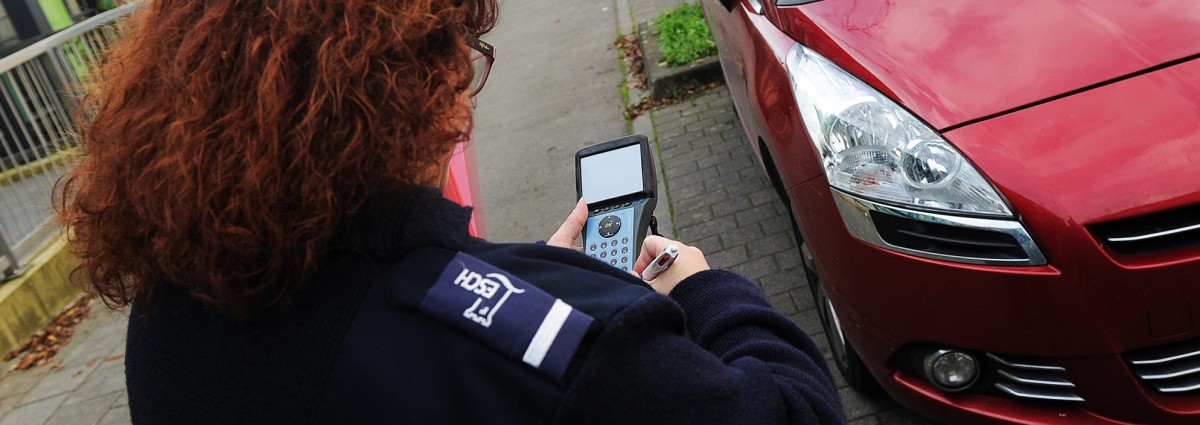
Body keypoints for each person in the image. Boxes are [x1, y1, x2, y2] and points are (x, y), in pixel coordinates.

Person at [55, 0, 844, 424]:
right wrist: (704, 289)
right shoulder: (588, 347)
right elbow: (794, 408)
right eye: (460, 62)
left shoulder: (169, 307)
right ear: (405, 96)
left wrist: (490, 286)